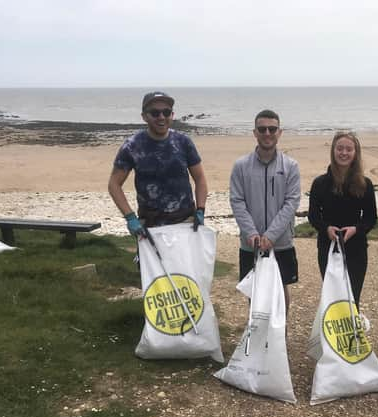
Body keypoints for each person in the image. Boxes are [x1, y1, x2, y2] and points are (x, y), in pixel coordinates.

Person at [230, 109, 301, 313]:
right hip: (250, 243)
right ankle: (257, 335)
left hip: (281, 242)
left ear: (280, 132)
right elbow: (237, 201)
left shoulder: (291, 166)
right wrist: (251, 233)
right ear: (255, 132)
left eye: (272, 129)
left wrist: (271, 235)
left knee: (281, 287)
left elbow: (291, 203)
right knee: (254, 290)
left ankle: (281, 336)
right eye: (262, 129)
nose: (267, 133)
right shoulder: (241, 166)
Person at [108, 91, 208, 236]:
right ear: (144, 116)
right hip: (149, 226)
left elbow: (200, 178)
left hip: (186, 222)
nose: (161, 117)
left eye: (166, 112)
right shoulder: (132, 146)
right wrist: (130, 217)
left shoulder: (183, 142)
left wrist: (200, 209)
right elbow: (114, 184)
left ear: (172, 115)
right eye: (155, 113)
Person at [308, 131, 377, 308]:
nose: (344, 153)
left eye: (349, 149)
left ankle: (352, 333)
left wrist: (356, 229)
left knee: (353, 295)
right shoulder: (320, 183)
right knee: (332, 294)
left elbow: (370, 218)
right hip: (328, 246)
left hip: (356, 248)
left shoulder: (365, 184)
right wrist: (326, 229)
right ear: (333, 151)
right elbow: (314, 216)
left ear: (355, 153)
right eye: (340, 148)